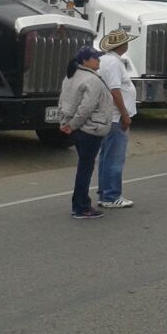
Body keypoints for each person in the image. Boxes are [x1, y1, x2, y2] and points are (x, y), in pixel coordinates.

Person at [58, 46, 115, 219]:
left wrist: (67, 123)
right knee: (85, 167)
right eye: (95, 58)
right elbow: (86, 107)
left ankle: (81, 203)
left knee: (84, 166)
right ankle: (81, 206)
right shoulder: (92, 80)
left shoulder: (71, 76)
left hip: (77, 127)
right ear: (85, 61)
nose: (98, 60)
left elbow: (63, 101)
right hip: (90, 128)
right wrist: (73, 124)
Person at [97, 29, 137, 209]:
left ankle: (105, 192)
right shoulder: (113, 62)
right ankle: (111, 195)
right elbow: (115, 90)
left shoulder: (106, 60)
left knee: (107, 156)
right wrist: (125, 114)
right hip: (115, 116)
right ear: (121, 45)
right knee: (114, 157)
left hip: (110, 115)